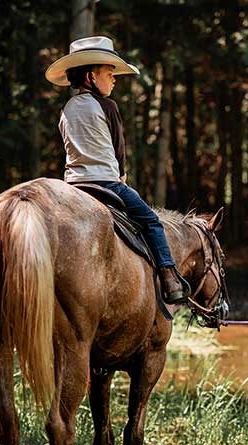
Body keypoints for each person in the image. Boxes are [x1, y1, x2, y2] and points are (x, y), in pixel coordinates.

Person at [45, 36, 188, 304]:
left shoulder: (66, 109)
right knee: (151, 222)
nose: (113, 80)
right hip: (107, 184)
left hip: (72, 186)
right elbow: (118, 151)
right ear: (90, 76)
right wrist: (121, 177)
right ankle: (170, 277)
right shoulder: (107, 106)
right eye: (109, 74)